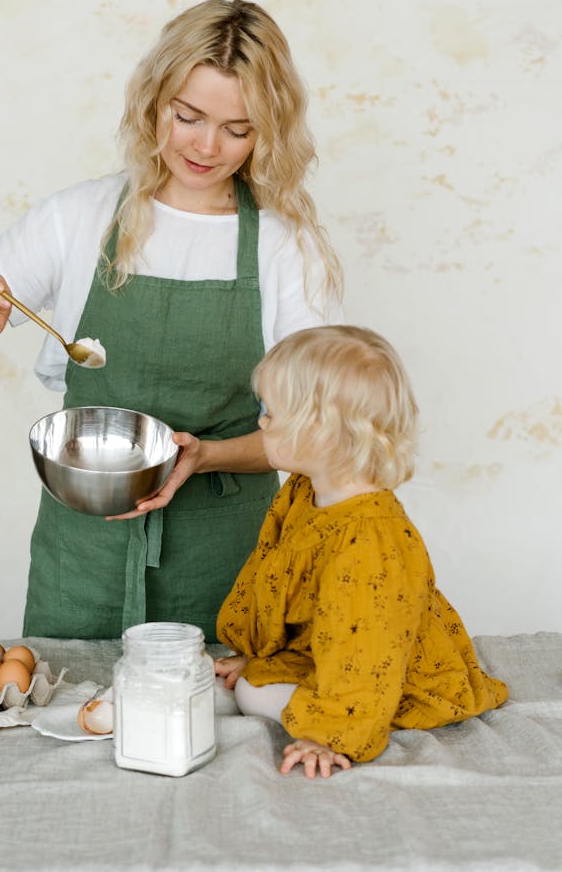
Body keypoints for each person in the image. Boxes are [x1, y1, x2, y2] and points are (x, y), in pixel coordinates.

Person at [0, 0, 343, 642]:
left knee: (219, 729)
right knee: (67, 719)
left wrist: (210, 453)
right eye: (187, 115)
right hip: (84, 552)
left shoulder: (286, 245)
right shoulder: (78, 217)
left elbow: (319, 434)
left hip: (230, 552)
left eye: (238, 128)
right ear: (153, 99)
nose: (206, 146)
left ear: (268, 130)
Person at [214, 325, 508, 777]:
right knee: (251, 681)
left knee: (251, 693)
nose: (261, 422)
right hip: (330, 649)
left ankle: (343, 714)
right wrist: (263, 651)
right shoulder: (305, 490)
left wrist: (329, 735)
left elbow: (368, 648)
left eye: (271, 411)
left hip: (383, 671)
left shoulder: (370, 540)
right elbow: (279, 580)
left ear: (321, 431)